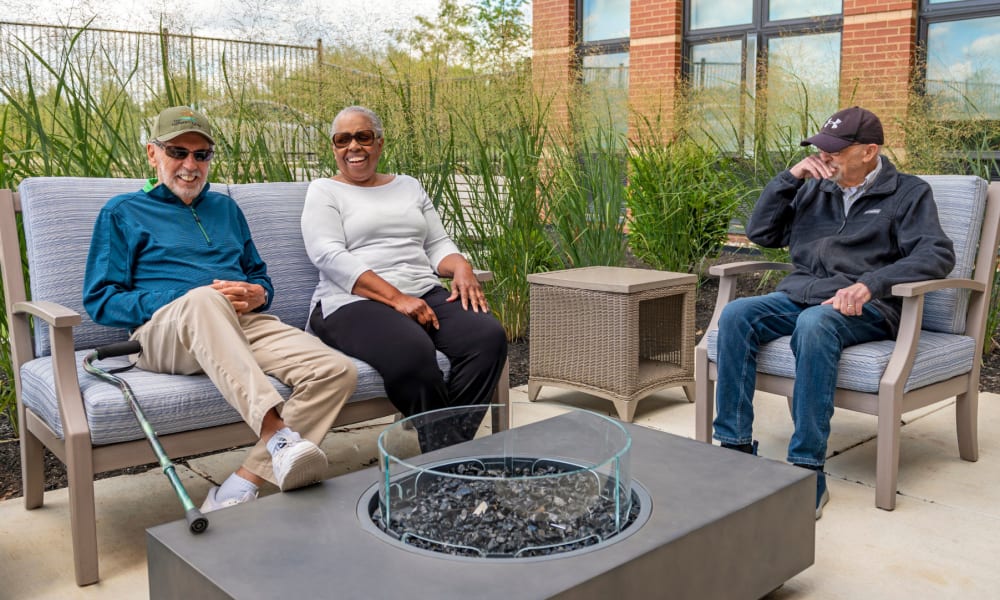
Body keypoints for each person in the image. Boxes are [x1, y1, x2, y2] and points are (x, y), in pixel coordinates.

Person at [83, 106, 358, 512]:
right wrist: (190, 297)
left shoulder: (226, 208)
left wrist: (257, 295)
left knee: (336, 371)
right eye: (178, 152)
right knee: (203, 299)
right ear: (152, 154)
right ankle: (278, 435)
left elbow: (260, 278)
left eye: (202, 154)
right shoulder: (122, 213)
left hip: (242, 322)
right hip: (164, 336)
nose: (190, 165)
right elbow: (101, 300)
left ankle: (241, 483)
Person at [712, 106, 956, 519]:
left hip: (870, 306)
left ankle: (807, 469)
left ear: (869, 151)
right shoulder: (813, 187)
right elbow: (761, 234)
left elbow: (937, 253)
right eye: (821, 148)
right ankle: (734, 449)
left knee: (815, 323)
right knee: (737, 315)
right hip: (803, 293)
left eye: (836, 151)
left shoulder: (908, 193)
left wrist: (870, 284)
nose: (824, 157)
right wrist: (790, 179)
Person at [301, 105, 508, 450]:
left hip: (422, 291)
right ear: (334, 148)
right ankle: (453, 462)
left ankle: (441, 457)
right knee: (412, 352)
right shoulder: (324, 191)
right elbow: (328, 254)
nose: (354, 146)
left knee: (487, 336)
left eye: (363, 137)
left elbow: (438, 243)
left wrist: (461, 267)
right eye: (343, 140)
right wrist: (397, 299)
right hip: (352, 302)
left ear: (379, 144)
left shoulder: (408, 186)